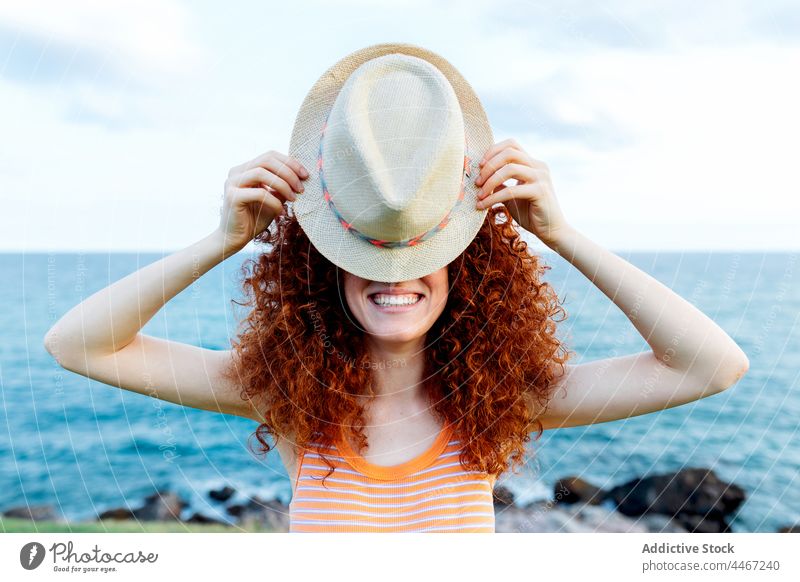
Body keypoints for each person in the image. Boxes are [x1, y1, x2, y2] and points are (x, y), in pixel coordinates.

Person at [44, 44, 749, 533]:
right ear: (324, 262)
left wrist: (560, 234)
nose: (397, 278)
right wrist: (220, 240)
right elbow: (78, 346)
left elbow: (712, 366)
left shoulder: (503, 401)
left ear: (465, 262)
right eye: (368, 251)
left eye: (421, 249)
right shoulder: (290, 401)